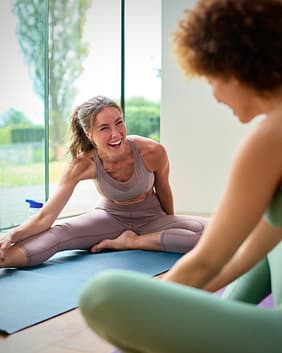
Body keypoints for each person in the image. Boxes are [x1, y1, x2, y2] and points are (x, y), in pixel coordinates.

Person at [79, 1, 282, 352]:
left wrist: (147, 307)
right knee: (260, 248)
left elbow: (205, 262)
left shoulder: (270, 139)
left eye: (211, 78)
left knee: (102, 294)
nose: (215, 95)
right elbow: (249, 252)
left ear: (238, 66)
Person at [0, 95, 207, 268]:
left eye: (119, 122)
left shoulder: (152, 151)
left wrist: (167, 227)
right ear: (89, 134)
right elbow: (46, 217)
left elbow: (163, 189)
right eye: (104, 128)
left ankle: (131, 242)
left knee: (210, 234)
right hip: (109, 218)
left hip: (152, 218)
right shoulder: (82, 165)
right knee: (58, 235)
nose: (116, 134)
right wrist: (13, 235)